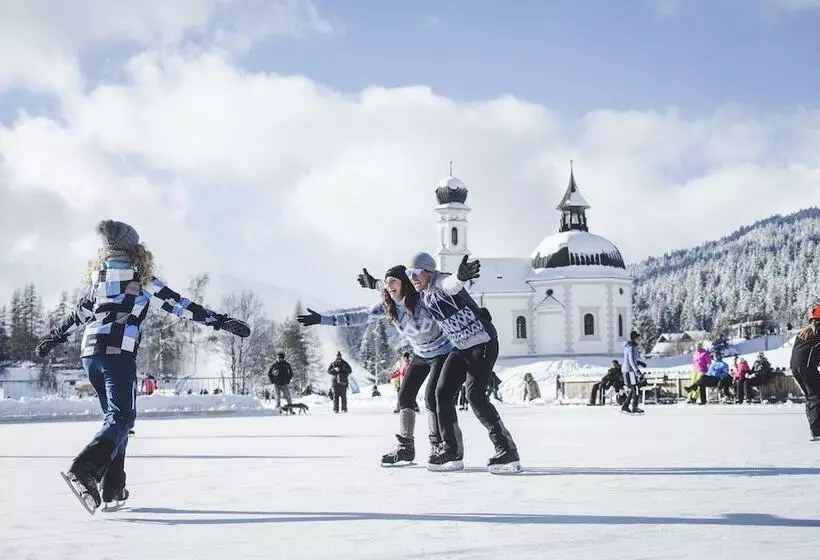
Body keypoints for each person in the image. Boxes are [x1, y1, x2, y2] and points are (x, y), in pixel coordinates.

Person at [34, 220, 248, 513]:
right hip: (117, 353)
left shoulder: (99, 279)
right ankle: (85, 469)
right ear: (134, 249)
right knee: (122, 418)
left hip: (90, 355)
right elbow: (180, 305)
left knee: (115, 420)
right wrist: (221, 321)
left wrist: (53, 337)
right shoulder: (140, 278)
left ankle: (113, 489)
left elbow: (77, 315)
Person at [298, 265, 454, 467]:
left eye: (393, 282)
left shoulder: (422, 298)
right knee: (405, 396)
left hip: (442, 352)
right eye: (386, 283)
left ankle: (438, 445)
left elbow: (444, 293)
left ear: (404, 283)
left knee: (432, 397)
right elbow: (358, 316)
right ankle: (406, 448)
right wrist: (322, 319)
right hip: (421, 354)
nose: (388, 287)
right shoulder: (388, 306)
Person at [406, 252, 521, 474]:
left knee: (475, 395)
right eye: (409, 274)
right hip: (462, 347)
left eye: (416, 273)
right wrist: (375, 284)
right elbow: (396, 286)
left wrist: (460, 276)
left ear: (429, 272)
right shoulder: (422, 290)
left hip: (483, 343)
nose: (412, 278)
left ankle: (507, 450)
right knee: (442, 393)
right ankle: (451, 451)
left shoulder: (440, 281)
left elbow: (452, 284)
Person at [790, 306, 820, 440]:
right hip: (807, 367)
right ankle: (817, 431)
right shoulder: (818, 330)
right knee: (816, 395)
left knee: (810, 396)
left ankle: (815, 429)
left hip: (795, 367)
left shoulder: (804, 332)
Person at [621, 331, 645, 414]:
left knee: (633, 389)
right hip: (629, 371)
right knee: (635, 388)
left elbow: (632, 360)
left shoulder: (632, 347)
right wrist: (637, 371)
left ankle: (625, 406)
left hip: (629, 370)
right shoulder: (630, 348)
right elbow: (631, 361)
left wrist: (639, 363)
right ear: (634, 339)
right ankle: (634, 407)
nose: (639, 340)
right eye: (638, 339)